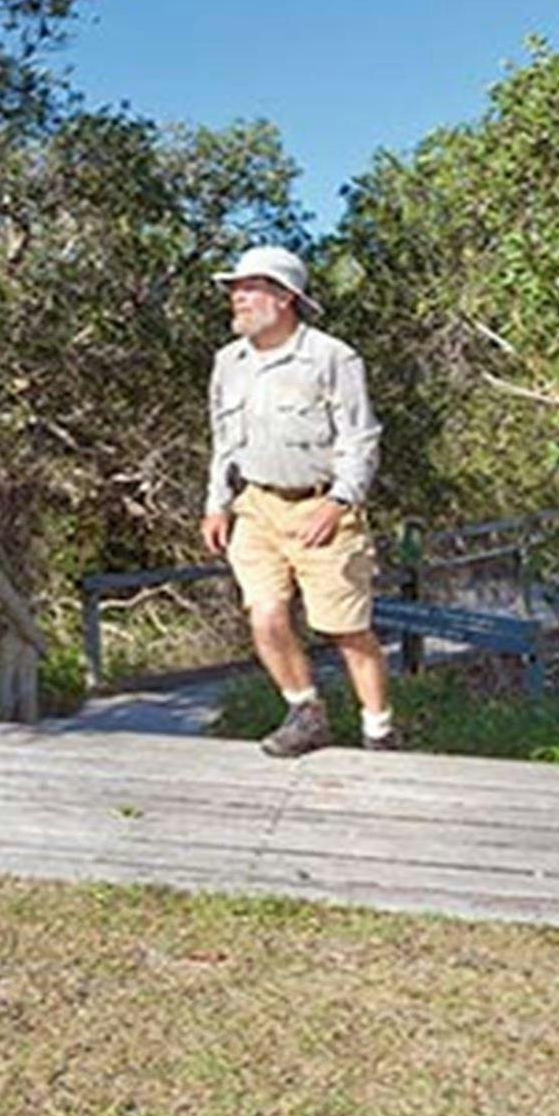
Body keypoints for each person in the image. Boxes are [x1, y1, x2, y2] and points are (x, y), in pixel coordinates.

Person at [200, 245, 395, 757]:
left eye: (248, 288)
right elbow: (223, 440)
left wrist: (337, 503)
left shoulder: (333, 358)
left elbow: (360, 439)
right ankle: (305, 712)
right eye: (234, 289)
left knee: (345, 630)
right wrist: (216, 503)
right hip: (256, 507)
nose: (235, 297)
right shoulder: (229, 362)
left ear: (284, 297)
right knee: (265, 616)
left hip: (320, 506)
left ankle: (380, 731)